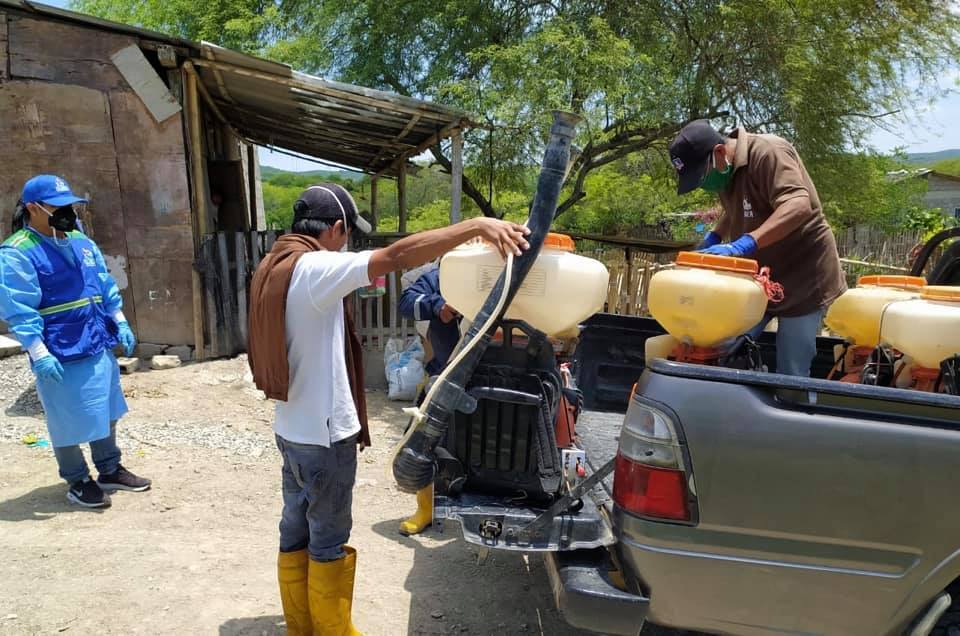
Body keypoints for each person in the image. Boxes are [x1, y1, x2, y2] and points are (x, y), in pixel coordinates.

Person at [247, 183, 529, 635]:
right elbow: (397, 256)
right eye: (348, 235)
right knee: (328, 538)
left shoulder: (275, 263)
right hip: (324, 435)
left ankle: (301, 627)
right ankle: (333, 631)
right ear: (335, 229)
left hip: (291, 429)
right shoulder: (317, 266)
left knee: (295, 528)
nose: (348, 244)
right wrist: (475, 226)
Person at [0, 175, 151, 508]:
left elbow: (104, 284)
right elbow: (18, 308)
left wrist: (119, 320)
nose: (67, 211)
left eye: (69, 205)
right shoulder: (18, 252)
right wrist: (38, 352)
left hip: (96, 339)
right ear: (33, 208)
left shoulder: (80, 241)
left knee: (106, 409)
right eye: (58, 206)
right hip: (59, 348)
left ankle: (109, 469)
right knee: (65, 417)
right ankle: (77, 479)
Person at [668, 120, 847, 377]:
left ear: (720, 151)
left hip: (804, 277)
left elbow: (797, 205)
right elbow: (738, 207)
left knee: (792, 368)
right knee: (723, 347)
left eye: (701, 177)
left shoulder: (769, 152)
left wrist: (745, 243)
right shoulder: (725, 170)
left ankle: (791, 401)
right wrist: (714, 237)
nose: (703, 184)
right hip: (759, 278)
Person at [395, 266, 461, 536]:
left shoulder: (513, 269)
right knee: (420, 441)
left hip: (501, 373)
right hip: (446, 374)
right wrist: (437, 305)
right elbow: (406, 302)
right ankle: (426, 509)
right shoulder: (447, 272)